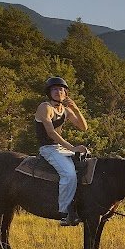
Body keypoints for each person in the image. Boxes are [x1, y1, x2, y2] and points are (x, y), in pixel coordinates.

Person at [35, 76, 88, 226]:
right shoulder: (45, 107)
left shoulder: (65, 110)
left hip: (60, 149)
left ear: (66, 93)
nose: (58, 91)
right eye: (54, 89)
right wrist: (72, 148)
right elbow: (51, 133)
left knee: (86, 162)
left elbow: (84, 127)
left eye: (61, 89)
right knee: (69, 174)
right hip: (47, 148)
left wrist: (76, 109)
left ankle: (80, 205)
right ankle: (65, 213)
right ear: (49, 92)